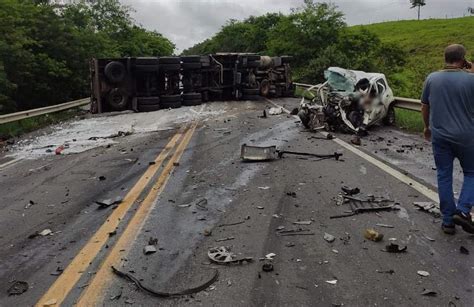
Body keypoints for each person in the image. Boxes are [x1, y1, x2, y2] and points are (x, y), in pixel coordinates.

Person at [421, 44, 474, 234]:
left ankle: (448, 222)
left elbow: (425, 106)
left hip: (440, 136)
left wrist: (427, 127)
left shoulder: (432, 78)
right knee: (471, 173)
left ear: (445, 58)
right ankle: (463, 210)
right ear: (463, 58)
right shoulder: (471, 80)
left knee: (444, 174)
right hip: (467, 137)